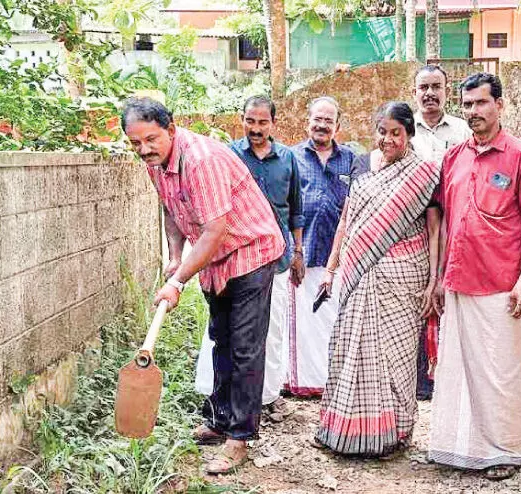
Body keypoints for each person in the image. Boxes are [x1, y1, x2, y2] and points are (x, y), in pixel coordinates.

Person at [121, 98, 284, 474]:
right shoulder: (157, 164)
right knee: (220, 339)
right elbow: (171, 208)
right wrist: (176, 254)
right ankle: (220, 418)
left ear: (171, 130)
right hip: (216, 258)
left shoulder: (201, 160)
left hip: (249, 249)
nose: (144, 149)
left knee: (245, 348)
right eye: (136, 143)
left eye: (151, 139)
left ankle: (239, 438)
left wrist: (178, 281)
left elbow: (216, 231)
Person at [428, 73, 521, 480]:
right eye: (466, 105)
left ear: (499, 105)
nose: (474, 112)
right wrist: (438, 278)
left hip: (500, 282)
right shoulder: (454, 157)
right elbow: (443, 221)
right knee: (457, 367)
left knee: (500, 371)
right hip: (458, 278)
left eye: (481, 103)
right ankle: (456, 444)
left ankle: (506, 451)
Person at [314, 102, 441, 456]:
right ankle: (345, 430)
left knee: (398, 358)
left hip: (404, 276)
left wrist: (434, 279)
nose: (387, 139)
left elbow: (434, 230)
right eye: (382, 132)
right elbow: (346, 220)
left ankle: (396, 433)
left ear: (409, 134)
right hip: (359, 273)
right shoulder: (364, 164)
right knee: (350, 349)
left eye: (395, 133)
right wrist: (331, 267)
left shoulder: (425, 173)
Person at [230, 96, 305, 423]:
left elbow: (296, 210)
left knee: (273, 330)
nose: (256, 129)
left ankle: (270, 396)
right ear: (242, 120)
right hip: (240, 259)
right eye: (250, 121)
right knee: (239, 331)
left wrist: (298, 252)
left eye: (262, 122)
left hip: (277, 258)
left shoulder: (287, 158)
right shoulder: (231, 155)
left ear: (273, 123)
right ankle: (233, 397)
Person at [410, 64, 473, 400]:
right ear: (415, 91)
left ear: (447, 91)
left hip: (454, 227)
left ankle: (450, 374)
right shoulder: (406, 132)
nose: (430, 93)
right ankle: (420, 377)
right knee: (419, 297)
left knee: (450, 296)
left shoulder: (463, 131)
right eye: (423, 87)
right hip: (413, 230)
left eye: (436, 86)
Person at [287, 96, 355, 398]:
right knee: (302, 323)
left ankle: (329, 380)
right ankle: (301, 382)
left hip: (338, 257)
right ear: (307, 122)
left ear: (337, 126)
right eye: (318, 118)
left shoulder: (351, 160)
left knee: (331, 320)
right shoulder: (291, 157)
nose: (322, 125)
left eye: (329, 120)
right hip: (303, 251)